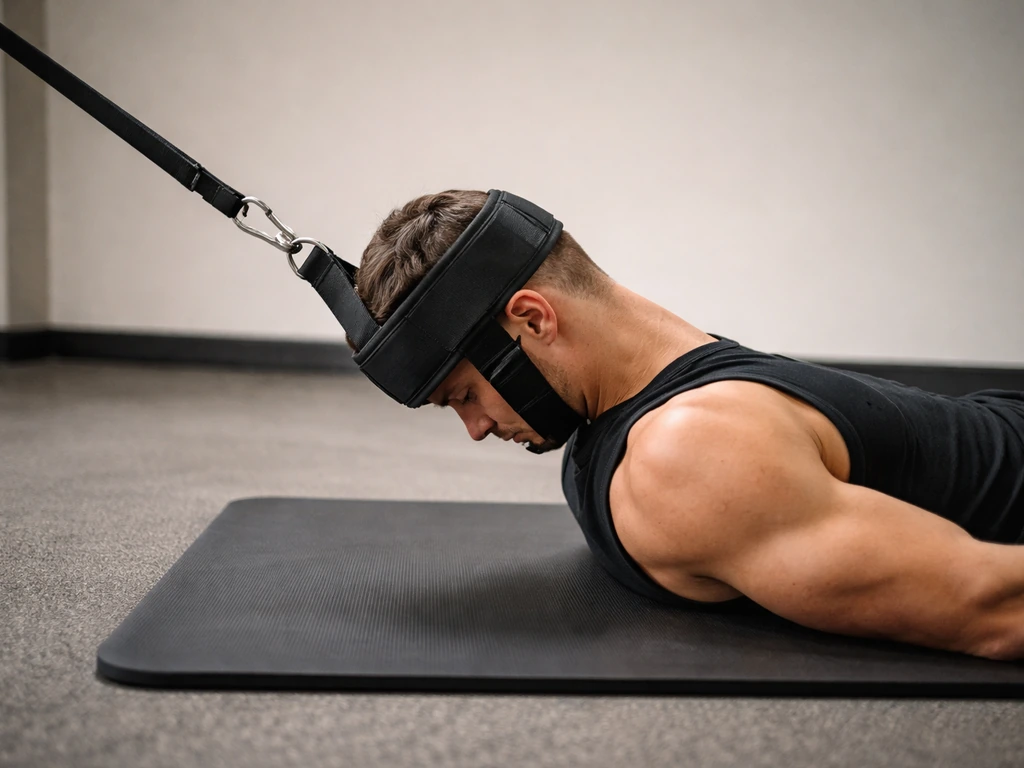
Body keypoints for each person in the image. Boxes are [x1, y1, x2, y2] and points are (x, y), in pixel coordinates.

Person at [353, 189, 1024, 661]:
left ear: (533, 319)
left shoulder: (688, 454)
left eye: (465, 395)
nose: (475, 428)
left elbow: (994, 609)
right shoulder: (634, 386)